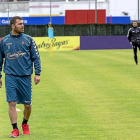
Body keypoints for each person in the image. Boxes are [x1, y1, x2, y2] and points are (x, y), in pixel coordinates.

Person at [0, 16, 41, 138]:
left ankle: (25, 124)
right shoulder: (4, 41)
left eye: (23, 24)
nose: (22, 26)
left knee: (27, 105)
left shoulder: (29, 40)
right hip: (10, 76)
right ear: (13, 26)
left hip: (25, 77)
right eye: (19, 24)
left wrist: (37, 73)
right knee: (11, 102)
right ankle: (15, 129)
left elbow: (36, 57)